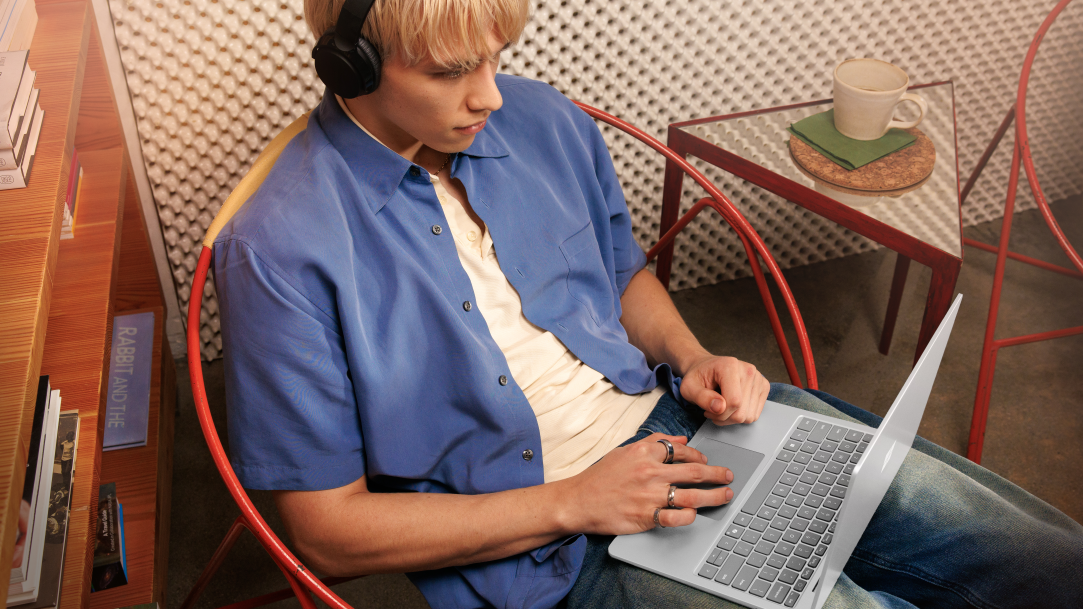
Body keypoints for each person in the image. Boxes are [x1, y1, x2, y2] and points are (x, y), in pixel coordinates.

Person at [212, 0, 1083, 607]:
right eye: (449, 71)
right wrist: (576, 502)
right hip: (556, 537)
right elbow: (327, 532)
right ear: (349, 64)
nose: (487, 94)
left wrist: (694, 356)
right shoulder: (279, 248)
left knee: (1041, 558)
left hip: (688, 425)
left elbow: (623, 277)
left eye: (495, 56)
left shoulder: (541, 120)